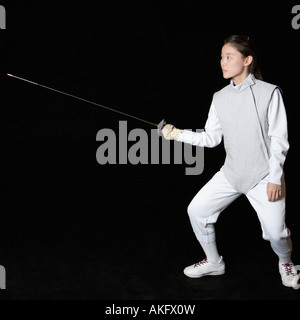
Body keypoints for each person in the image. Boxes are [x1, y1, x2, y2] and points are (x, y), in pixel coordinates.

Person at [161, 35, 297, 288]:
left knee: (276, 233)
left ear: (247, 60)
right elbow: (212, 138)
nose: (223, 62)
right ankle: (214, 262)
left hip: (264, 177)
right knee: (197, 210)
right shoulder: (219, 97)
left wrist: (275, 178)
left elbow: (280, 139)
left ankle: (286, 261)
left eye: (229, 56)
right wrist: (177, 134)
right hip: (231, 173)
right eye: (221, 57)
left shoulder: (270, 93)